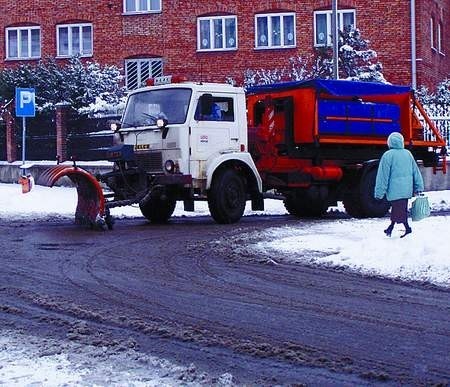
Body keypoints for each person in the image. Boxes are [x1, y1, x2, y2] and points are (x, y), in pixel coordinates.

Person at [374, 132, 424, 238]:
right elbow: (416, 171)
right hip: (406, 189)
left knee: (398, 210)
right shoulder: (408, 154)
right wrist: (419, 186)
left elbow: (383, 176)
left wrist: (379, 193)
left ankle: (406, 229)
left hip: (394, 189)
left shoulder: (388, 155)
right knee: (399, 209)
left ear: (389, 142)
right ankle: (392, 228)